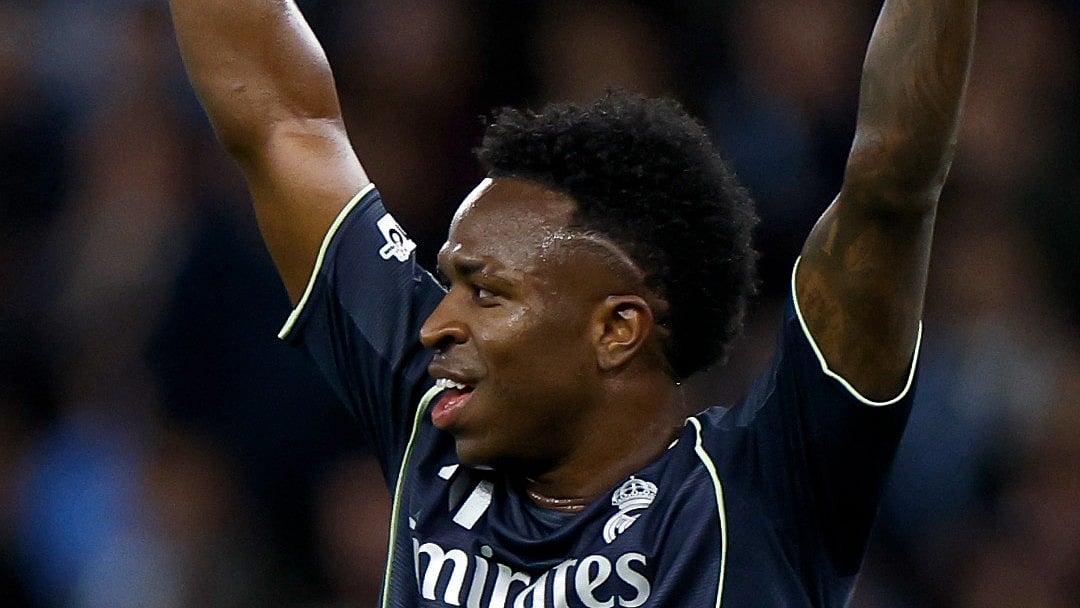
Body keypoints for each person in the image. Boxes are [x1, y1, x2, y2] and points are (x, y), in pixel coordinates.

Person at [168, 0, 977, 605]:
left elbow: (891, 183)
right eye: (448, 281)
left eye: (485, 292)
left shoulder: (762, 492)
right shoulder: (435, 411)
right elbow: (282, 120)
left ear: (617, 329)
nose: (436, 322)